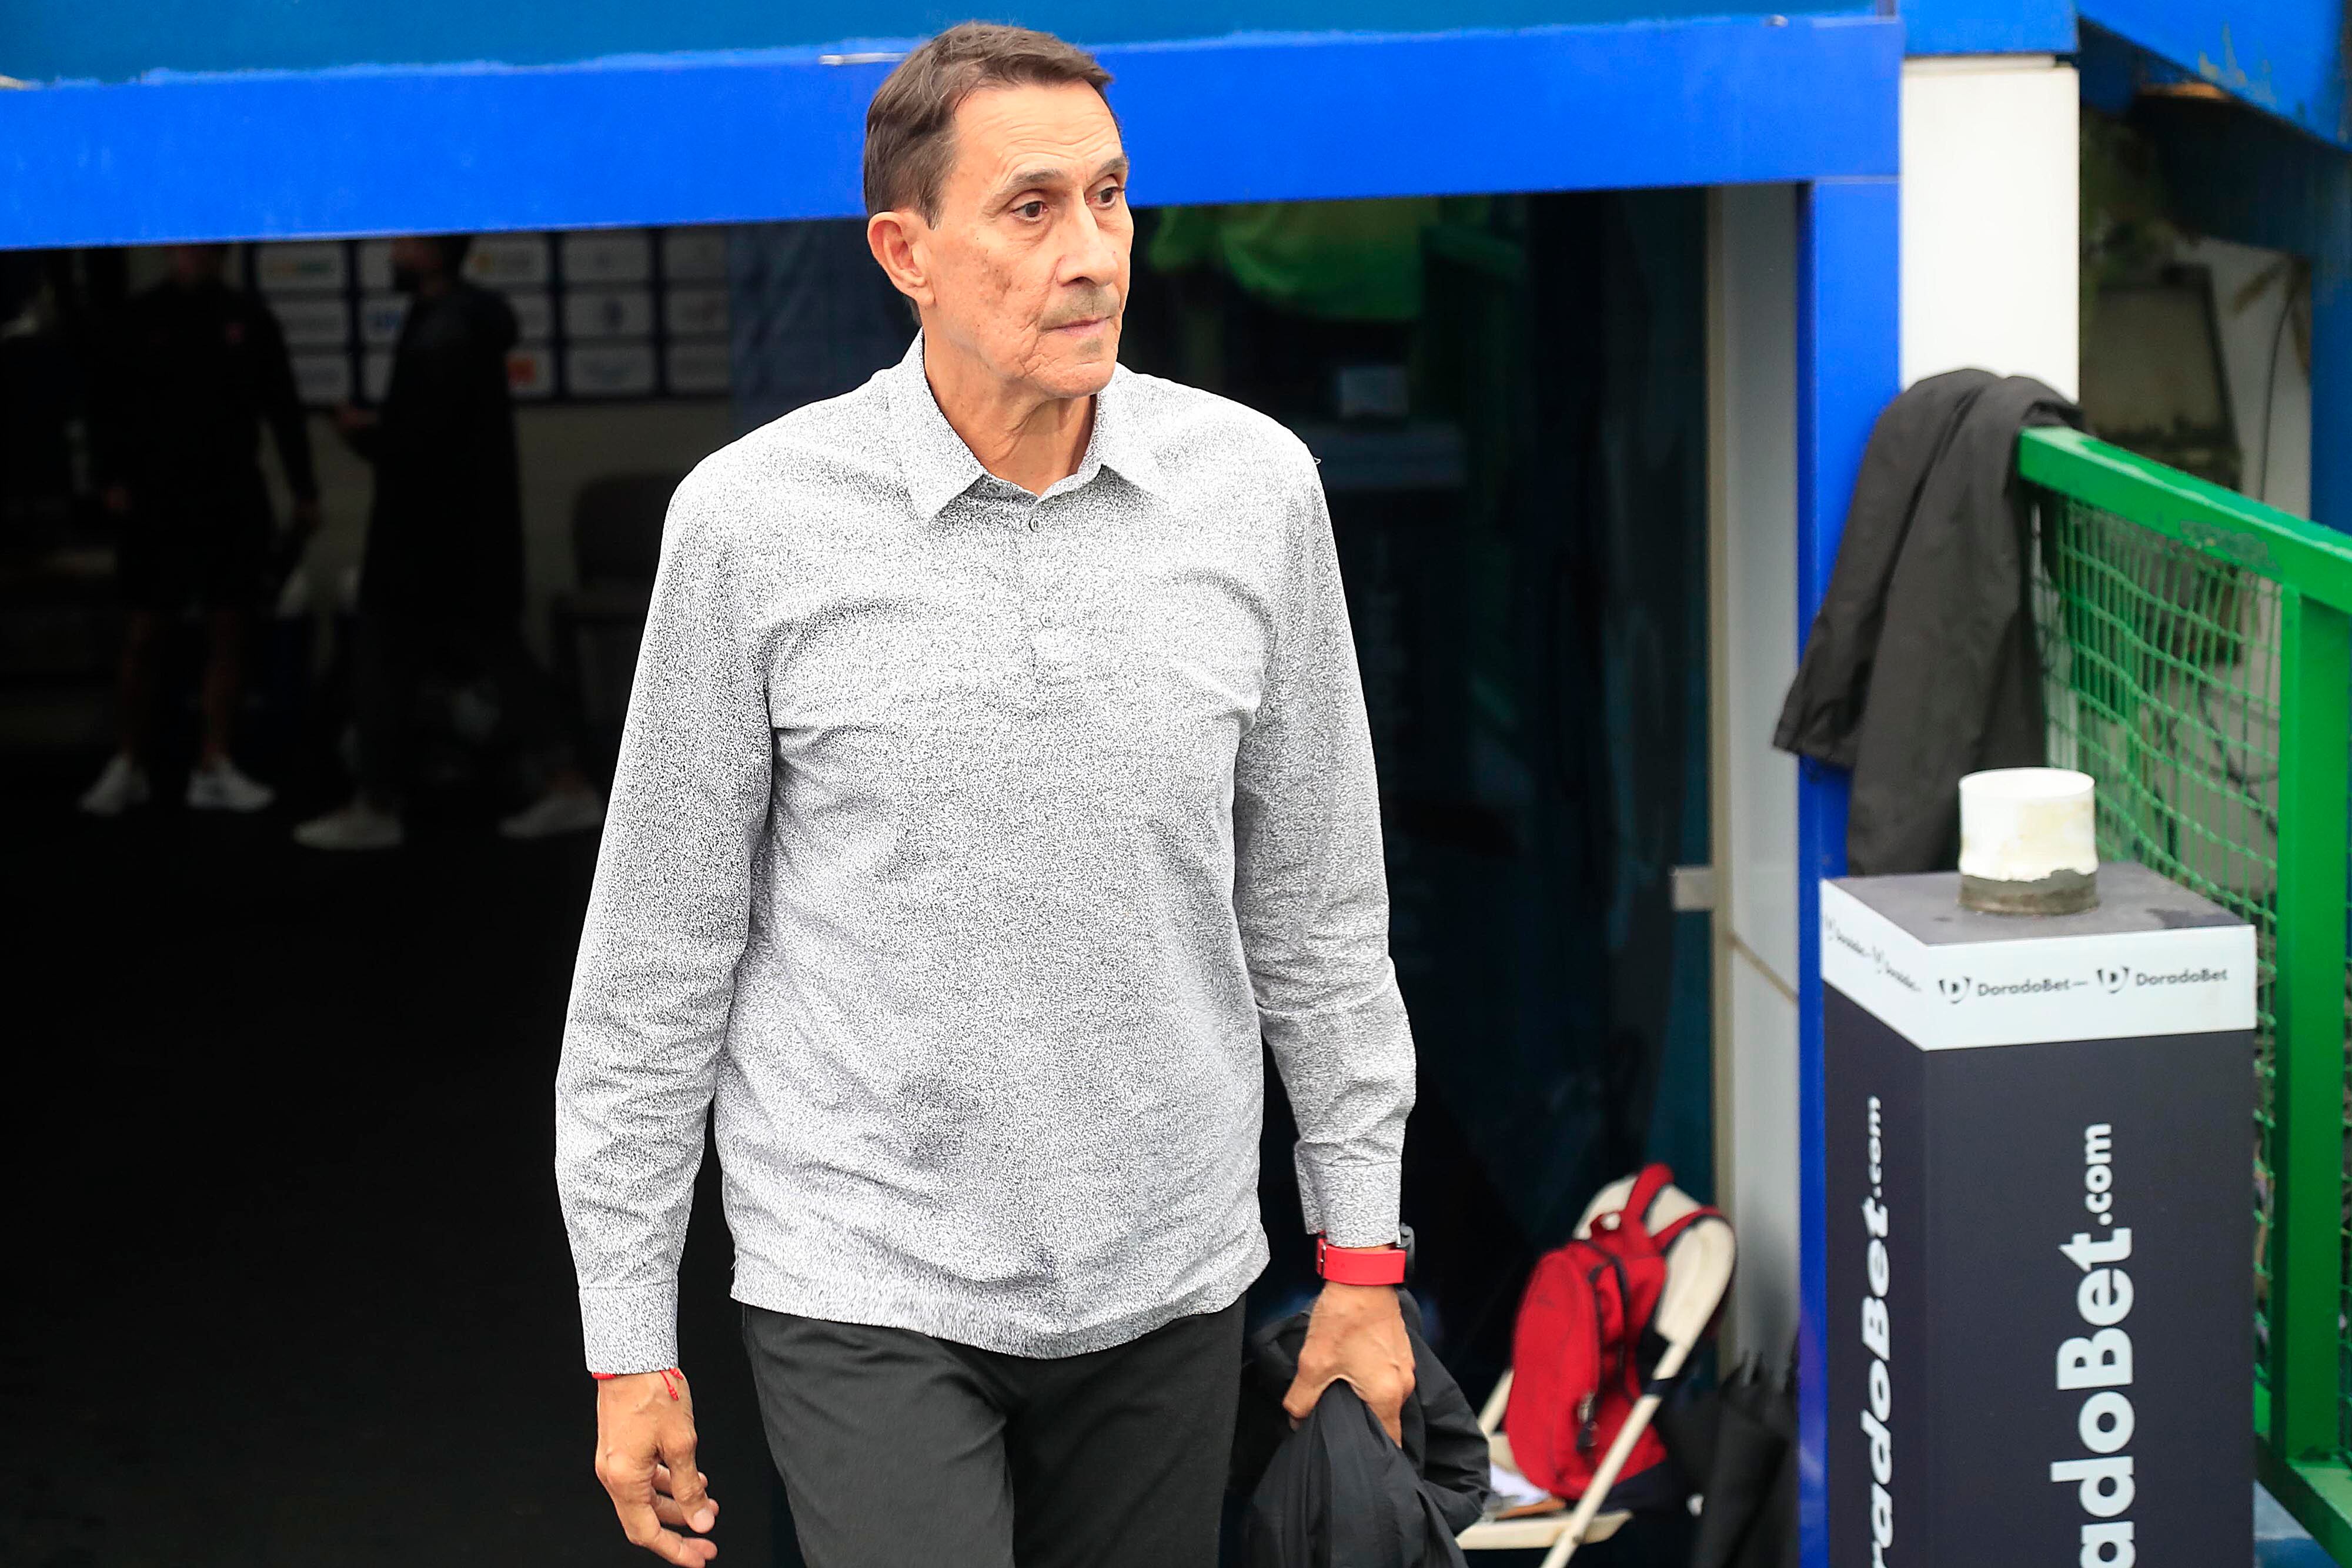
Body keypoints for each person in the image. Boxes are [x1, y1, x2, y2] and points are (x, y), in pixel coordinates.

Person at [556, 24, 1421, 1568]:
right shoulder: (752, 524)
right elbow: (653, 970)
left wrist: (1360, 1259)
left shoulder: (1255, 492)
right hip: (863, 1268)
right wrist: (631, 1336)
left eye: (1110, 198)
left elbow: (1321, 917)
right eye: (1031, 209)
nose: (1090, 253)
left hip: (1167, 1267)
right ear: (907, 250)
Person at [292, 233, 603, 850]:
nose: (391, 254)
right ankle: (564, 786)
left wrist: (362, 436)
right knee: (473, 656)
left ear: (432, 254)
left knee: (391, 657)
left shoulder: (447, 330)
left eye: (404, 245)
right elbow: (435, 432)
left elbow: (419, 445)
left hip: (432, 538)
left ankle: (379, 804)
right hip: (459, 536)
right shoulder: (455, 322)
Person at [79, 242, 320, 817]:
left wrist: (305, 489)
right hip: (156, 503)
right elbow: (105, 405)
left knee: (229, 629)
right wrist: (108, 477)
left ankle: (213, 765)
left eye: (206, 246)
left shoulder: (249, 319)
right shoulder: (137, 318)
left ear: (221, 252)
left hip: (231, 498)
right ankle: (129, 763)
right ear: (170, 249)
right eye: (185, 244)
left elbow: (283, 408)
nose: (194, 254)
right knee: (145, 634)